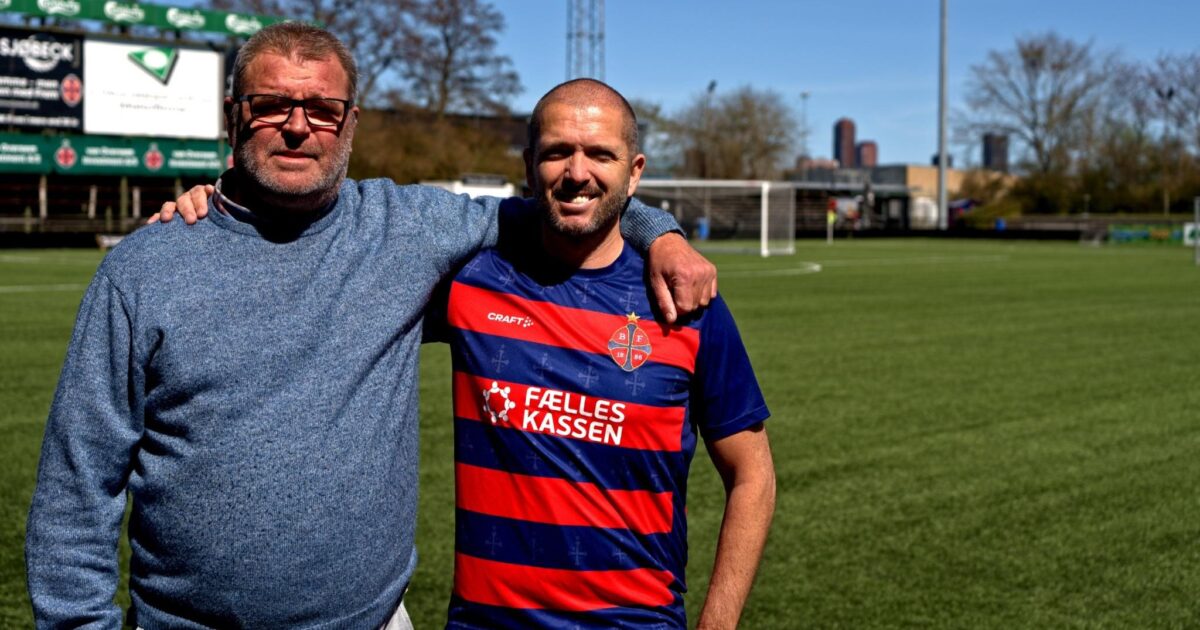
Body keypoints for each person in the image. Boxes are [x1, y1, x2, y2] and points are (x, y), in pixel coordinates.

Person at [24, 23, 714, 629]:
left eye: (321, 110)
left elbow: (567, 202)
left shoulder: (405, 231)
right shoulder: (150, 265)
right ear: (233, 118)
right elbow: (77, 481)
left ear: (351, 123)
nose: (298, 126)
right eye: (272, 107)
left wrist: (663, 234)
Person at [432, 80, 775, 629]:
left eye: (599, 154)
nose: (576, 172)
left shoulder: (685, 301)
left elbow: (752, 475)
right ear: (528, 165)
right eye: (557, 152)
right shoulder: (470, 285)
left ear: (635, 170)